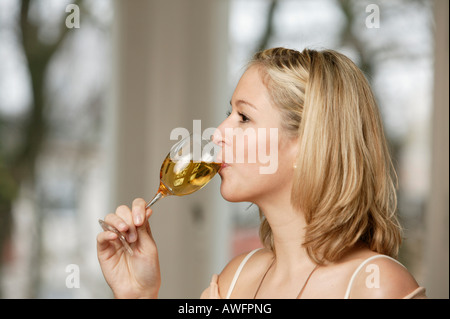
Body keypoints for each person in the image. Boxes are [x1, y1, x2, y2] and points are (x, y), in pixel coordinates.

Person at [97, 47, 426, 299]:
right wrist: (138, 295)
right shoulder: (236, 280)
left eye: (243, 118)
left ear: (307, 145)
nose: (217, 133)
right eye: (230, 112)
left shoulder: (377, 287)